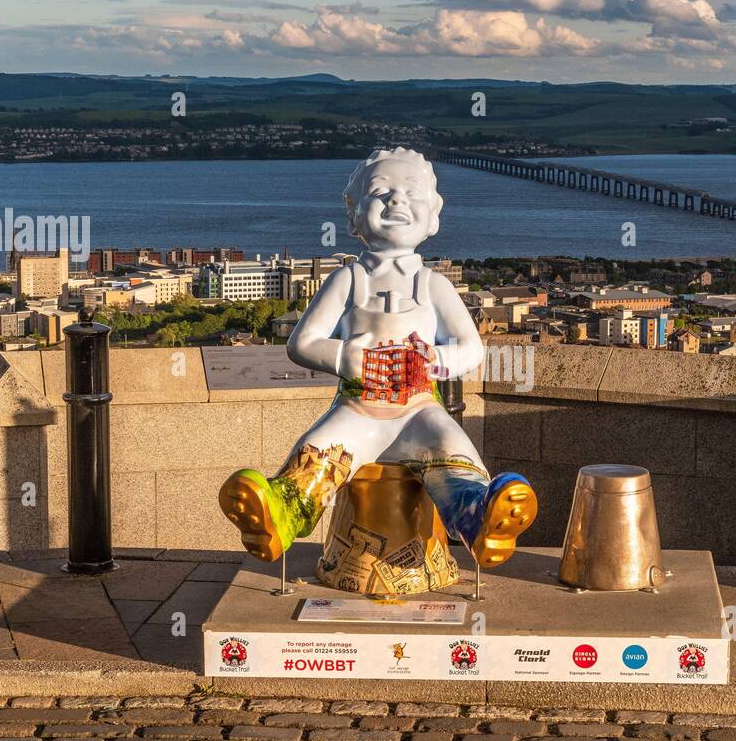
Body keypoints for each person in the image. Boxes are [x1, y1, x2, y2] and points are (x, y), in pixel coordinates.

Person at [219, 147, 537, 568]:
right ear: (353, 215)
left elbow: (471, 347)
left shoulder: (434, 284)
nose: (396, 201)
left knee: (450, 447)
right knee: (319, 452)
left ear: (433, 215)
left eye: (411, 192)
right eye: (380, 191)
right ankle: (279, 512)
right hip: (358, 405)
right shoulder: (347, 279)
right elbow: (303, 342)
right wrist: (350, 358)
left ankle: (480, 518)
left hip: (419, 406)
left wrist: (435, 361)